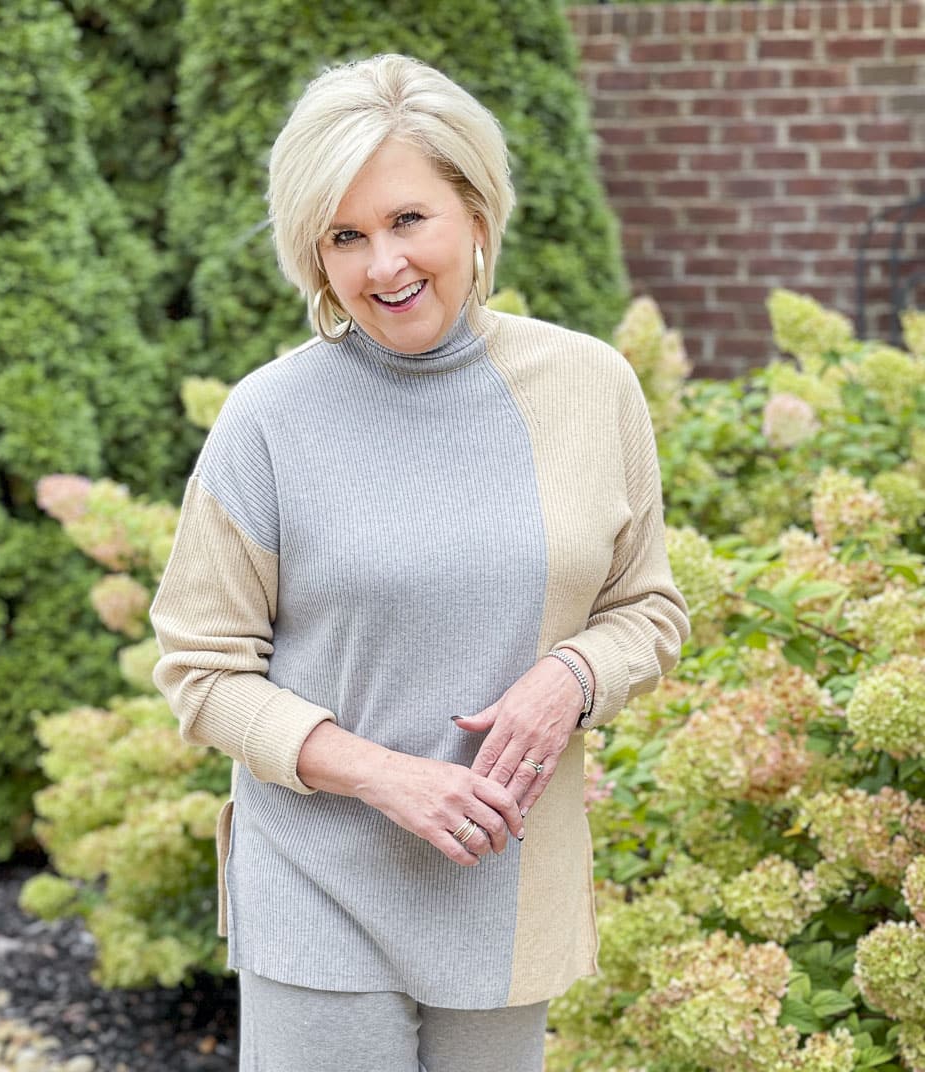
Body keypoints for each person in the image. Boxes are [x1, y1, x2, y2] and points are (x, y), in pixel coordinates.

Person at [150, 53, 689, 1072]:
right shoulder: (268, 419)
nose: (382, 266)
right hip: (318, 883)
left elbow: (646, 607)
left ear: (475, 212)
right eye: (344, 237)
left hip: (504, 880)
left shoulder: (589, 387)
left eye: (408, 222)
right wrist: (385, 776)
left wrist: (569, 679)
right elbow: (200, 669)